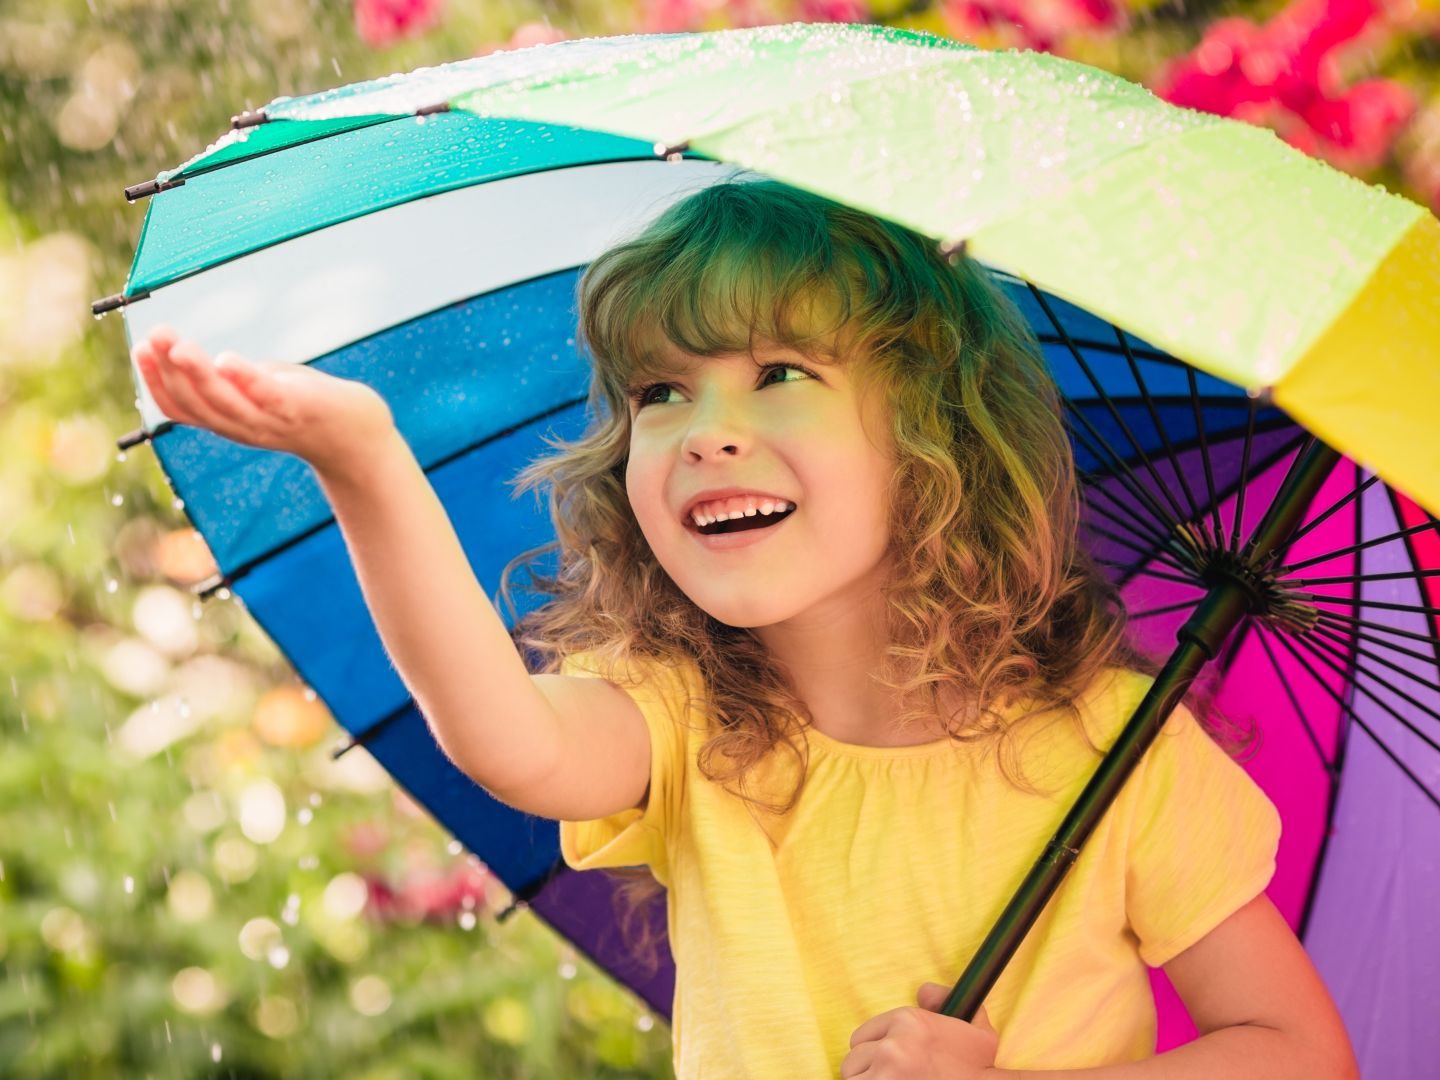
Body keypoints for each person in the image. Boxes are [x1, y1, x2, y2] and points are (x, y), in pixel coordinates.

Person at [132, 178, 1358, 1079]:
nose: (706, 429)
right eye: (662, 392)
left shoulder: (1111, 747)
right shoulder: (685, 712)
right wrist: (365, 460)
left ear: (932, 444)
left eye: (781, 374)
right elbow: (508, 737)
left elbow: (1299, 1051)